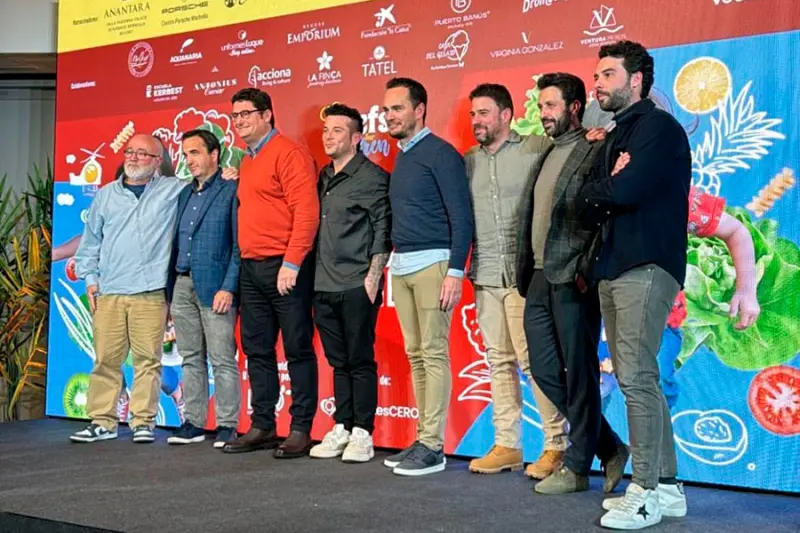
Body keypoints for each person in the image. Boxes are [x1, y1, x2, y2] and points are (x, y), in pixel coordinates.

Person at [576, 41, 691, 530]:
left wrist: (609, 186)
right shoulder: (616, 134)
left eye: (607, 74)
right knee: (638, 377)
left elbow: (622, 191)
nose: (597, 83)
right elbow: (586, 201)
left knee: (638, 378)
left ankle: (643, 492)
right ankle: (667, 485)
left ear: (637, 79)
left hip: (644, 263)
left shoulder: (658, 129)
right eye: (596, 74)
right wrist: (606, 184)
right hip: (614, 264)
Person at [515, 73, 628, 495]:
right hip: (539, 277)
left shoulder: (596, 148)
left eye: (550, 106)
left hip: (574, 277)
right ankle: (609, 446)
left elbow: (603, 216)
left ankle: (578, 467)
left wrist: (585, 268)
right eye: (541, 106)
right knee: (543, 369)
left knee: (580, 372)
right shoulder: (546, 152)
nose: (543, 114)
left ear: (575, 107)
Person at [463, 83, 569, 479]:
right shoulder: (467, 161)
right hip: (486, 276)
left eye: (484, 113)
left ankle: (556, 446)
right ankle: (508, 444)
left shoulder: (537, 149)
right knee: (498, 362)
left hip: (525, 278)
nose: (477, 121)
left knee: (534, 363)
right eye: (473, 114)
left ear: (506, 115)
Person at [381, 77, 474, 476]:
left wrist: (455, 271)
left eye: (397, 108)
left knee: (433, 354)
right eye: (386, 110)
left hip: (435, 265)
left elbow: (462, 216)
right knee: (416, 354)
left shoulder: (441, 154)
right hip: (401, 265)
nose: (389, 116)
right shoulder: (402, 156)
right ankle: (423, 438)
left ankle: (433, 447)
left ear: (419, 110)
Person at [69, 134, 188, 444]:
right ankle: (102, 422)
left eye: (142, 154)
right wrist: (91, 281)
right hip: (109, 292)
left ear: (157, 161)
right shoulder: (105, 195)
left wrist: (229, 175)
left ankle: (143, 422)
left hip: (150, 293)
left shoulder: (174, 191)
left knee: (148, 360)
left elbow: (206, 185)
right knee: (106, 360)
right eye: (129, 152)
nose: (133, 158)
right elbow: (89, 243)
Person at [222, 88, 320, 458]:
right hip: (251, 267)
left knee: (296, 348)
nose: (240, 121)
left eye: (246, 113)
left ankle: (300, 429)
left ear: (267, 115)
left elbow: (307, 213)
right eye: (235, 116)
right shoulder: (247, 161)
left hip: (285, 265)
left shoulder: (289, 153)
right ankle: (263, 425)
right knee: (257, 350)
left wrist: (292, 263)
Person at [308, 103, 392, 463]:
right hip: (322, 284)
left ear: (357, 138)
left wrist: (373, 278)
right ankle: (342, 425)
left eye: (338, 130)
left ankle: (363, 432)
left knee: (359, 361)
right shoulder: (323, 176)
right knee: (337, 361)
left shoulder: (372, 177)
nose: (329, 136)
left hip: (357, 283)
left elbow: (382, 229)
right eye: (326, 130)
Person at [165, 129, 242, 449]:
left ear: (214, 155)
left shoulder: (232, 189)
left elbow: (239, 245)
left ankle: (227, 425)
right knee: (191, 358)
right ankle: (193, 422)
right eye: (185, 154)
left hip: (216, 287)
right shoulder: (184, 193)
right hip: (182, 284)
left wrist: (229, 287)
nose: (189, 160)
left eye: (195, 152)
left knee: (222, 358)